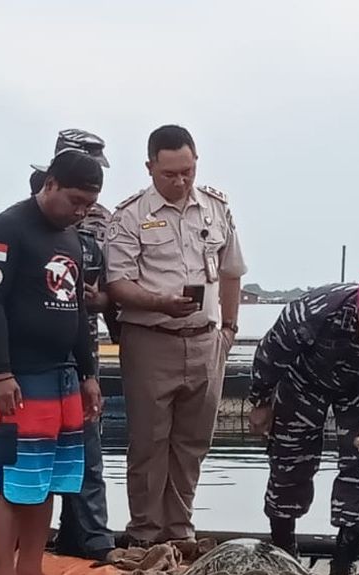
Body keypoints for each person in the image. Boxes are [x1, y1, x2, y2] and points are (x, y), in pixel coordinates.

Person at [0, 129, 115, 561]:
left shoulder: (72, 237)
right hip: (20, 375)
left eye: (87, 205)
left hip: (62, 375)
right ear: (49, 184)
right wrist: (1, 372)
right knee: (11, 480)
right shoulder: (8, 227)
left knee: (51, 477)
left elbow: (77, 313)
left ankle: (31, 567)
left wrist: (88, 374)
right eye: (74, 202)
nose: (80, 212)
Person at [105, 124, 247, 545]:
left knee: (193, 442)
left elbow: (231, 272)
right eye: (170, 173)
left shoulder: (216, 208)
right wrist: (158, 302)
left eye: (188, 170)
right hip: (151, 339)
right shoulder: (130, 215)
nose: (181, 181)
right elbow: (118, 284)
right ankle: (145, 534)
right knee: (149, 443)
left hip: (206, 340)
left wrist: (230, 329)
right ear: (150, 167)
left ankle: (180, 530)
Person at [247, 265, 359, 575]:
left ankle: (341, 573)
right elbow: (271, 354)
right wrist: (261, 401)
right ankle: (285, 560)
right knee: (289, 464)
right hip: (304, 383)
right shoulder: (313, 313)